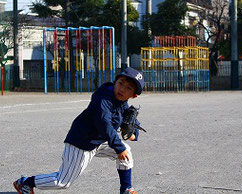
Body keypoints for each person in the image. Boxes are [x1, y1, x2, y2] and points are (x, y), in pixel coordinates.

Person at [13, 67, 145, 194]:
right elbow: (103, 123)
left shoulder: (121, 101)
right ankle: (25, 182)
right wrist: (118, 147)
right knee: (62, 182)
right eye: (120, 83)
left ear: (133, 96)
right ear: (115, 81)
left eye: (128, 88)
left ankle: (126, 189)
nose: (122, 88)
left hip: (97, 141)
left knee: (126, 151)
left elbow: (127, 115)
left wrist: (134, 133)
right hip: (82, 142)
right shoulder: (103, 97)